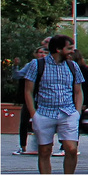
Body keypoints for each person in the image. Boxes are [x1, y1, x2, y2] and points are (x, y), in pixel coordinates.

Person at [20, 35, 84, 175]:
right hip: (44, 113)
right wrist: (34, 114)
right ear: (58, 49)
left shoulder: (73, 66)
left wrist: (77, 112)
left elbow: (78, 91)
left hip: (68, 113)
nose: (72, 51)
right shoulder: (37, 65)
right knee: (44, 150)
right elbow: (28, 91)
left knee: (71, 149)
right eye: (69, 48)